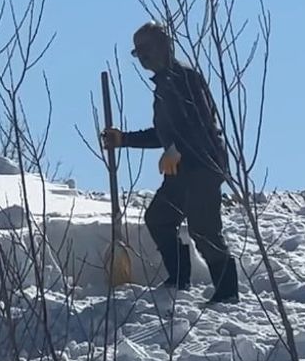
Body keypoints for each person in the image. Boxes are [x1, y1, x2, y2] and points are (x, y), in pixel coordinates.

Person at [101, 21, 240, 305]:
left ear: (164, 46)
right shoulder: (163, 85)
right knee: (159, 218)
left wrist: (177, 150)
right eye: (137, 51)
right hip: (180, 169)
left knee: (204, 229)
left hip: (203, 165)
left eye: (145, 49)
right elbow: (163, 134)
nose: (141, 56)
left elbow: (201, 123)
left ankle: (227, 293)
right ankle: (179, 279)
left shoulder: (185, 79)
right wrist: (123, 139)